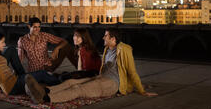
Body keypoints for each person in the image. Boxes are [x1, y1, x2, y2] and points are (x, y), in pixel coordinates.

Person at [24, 28, 158, 104]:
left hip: (112, 84)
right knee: (71, 81)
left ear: (113, 39)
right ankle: (45, 90)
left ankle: (47, 98)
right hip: (101, 77)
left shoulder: (125, 50)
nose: (103, 38)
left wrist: (142, 91)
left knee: (79, 88)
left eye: (106, 36)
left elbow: (132, 72)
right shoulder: (107, 50)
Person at [0, 31, 61, 98]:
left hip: (14, 81)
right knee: (42, 74)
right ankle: (61, 84)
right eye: (2, 42)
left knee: (40, 78)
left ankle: (56, 81)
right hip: (12, 86)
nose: (4, 44)